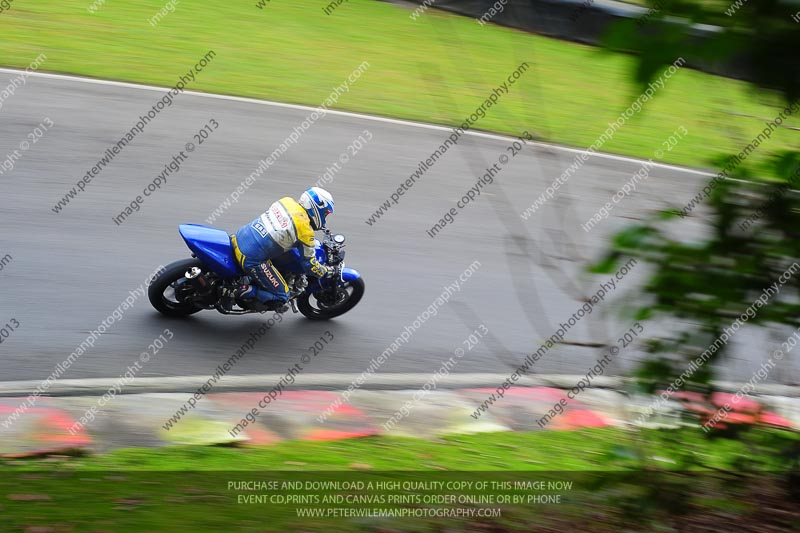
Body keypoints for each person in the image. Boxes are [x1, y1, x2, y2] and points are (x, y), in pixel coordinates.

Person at [228, 187, 335, 311]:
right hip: (250, 257)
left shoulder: (286, 201)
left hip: (239, 236)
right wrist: (326, 271)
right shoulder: (305, 231)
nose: (326, 217)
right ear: (317, 208)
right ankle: (237, 291)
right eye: (326, 213)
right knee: (281, 296)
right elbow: (310, 265)